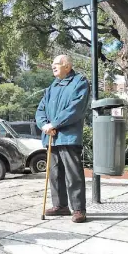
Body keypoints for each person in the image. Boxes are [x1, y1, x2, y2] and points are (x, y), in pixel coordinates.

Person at [35, 55, 90, 223]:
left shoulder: (79, 81)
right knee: (54, 174)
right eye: (52, 64)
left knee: (73, 175)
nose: (53, 67)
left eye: (56, 64)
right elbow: (40, 110)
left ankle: (79, 209)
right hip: (51, 137)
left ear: (67, 66)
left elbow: (76, 108)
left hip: (68, 137)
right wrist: (44, 125)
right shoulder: (51, 87)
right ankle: (60, 206)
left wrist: (55, 124)